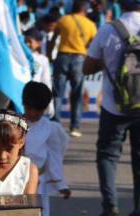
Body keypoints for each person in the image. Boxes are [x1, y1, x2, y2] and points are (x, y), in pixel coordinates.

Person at [84, 0, 140, 216]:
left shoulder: (107, 30)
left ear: (121, 5)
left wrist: (107, 62)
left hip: (115, 106)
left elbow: (87, 68)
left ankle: (110, 206)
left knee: (107, 155)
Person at [22, 82, 70, 216]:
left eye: (39, 110)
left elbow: (55, 155)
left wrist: (60, 183)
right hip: (14, 180)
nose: (33, 113)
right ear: (24, 104)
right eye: (30, 108)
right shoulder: (13, 124)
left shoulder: (50, 128)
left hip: (38, 181)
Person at [50, 0, 97, 137]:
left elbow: (54, 39)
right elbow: (93, 45)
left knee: (58, 93)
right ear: (84, 9)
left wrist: (49, 54)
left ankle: (56, 124)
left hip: (62, 57)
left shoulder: (63, 20)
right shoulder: (90, 25)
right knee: (77, 94)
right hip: (79, 59)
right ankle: (75, 127)